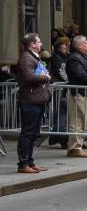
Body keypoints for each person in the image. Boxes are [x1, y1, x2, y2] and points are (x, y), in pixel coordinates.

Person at [15, 33, 50, 173]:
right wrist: (45, 77)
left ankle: (30, 161)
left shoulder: (33, 57)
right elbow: (29, 77)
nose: (41, 44)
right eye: (39, 42)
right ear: (32, 44)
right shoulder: (26, 58)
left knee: (34, 133)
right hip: (30, 100)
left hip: (37, 100)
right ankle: (23, 164)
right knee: (28, 133)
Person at [66, 34, 87, 157]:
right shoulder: (75, 58)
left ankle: (78, 145)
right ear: (79, 46)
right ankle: (74, 148)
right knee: (77, 121)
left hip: (84, 93)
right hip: (78, 93)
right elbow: (80, 74)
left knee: (82, 121)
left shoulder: (82, 56)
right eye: (86, 43)